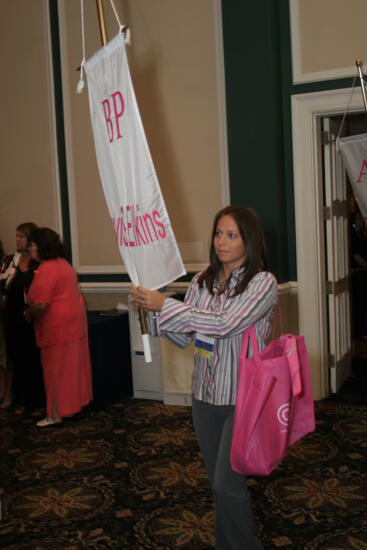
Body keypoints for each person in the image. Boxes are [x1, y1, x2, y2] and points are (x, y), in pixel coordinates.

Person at [130, 206, 278, 550]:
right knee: (218, 485)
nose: (222, 242)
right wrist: (148, 311)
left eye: (232, 235)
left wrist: (164, 304)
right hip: (205, 397)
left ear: (249, 240)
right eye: (218, 234)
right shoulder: (202, 281)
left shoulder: (262, 283)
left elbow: (224, 323)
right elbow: (185, 336)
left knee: (228, 486)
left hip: (243, 398)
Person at [25, 227, 92, 427]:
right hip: (73, 323)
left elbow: (41, 304)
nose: (30, 248)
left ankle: (54, 414)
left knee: (54, 372)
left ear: (40, 247)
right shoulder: (63, 264)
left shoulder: (47, 268)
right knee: (71, 370)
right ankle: (71, 408)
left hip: (57, 327)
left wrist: (28, 313)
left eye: (32, 245)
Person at [0, 223, 45, 412]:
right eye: (16, 236)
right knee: (17, 359)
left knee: (33, 361)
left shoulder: (38, 262)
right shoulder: (11, 260)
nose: (18, 240)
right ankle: (25, 401)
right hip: (11, 316)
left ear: (30, 240)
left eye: (22, 237)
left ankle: (39, 403)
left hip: (30, 317)